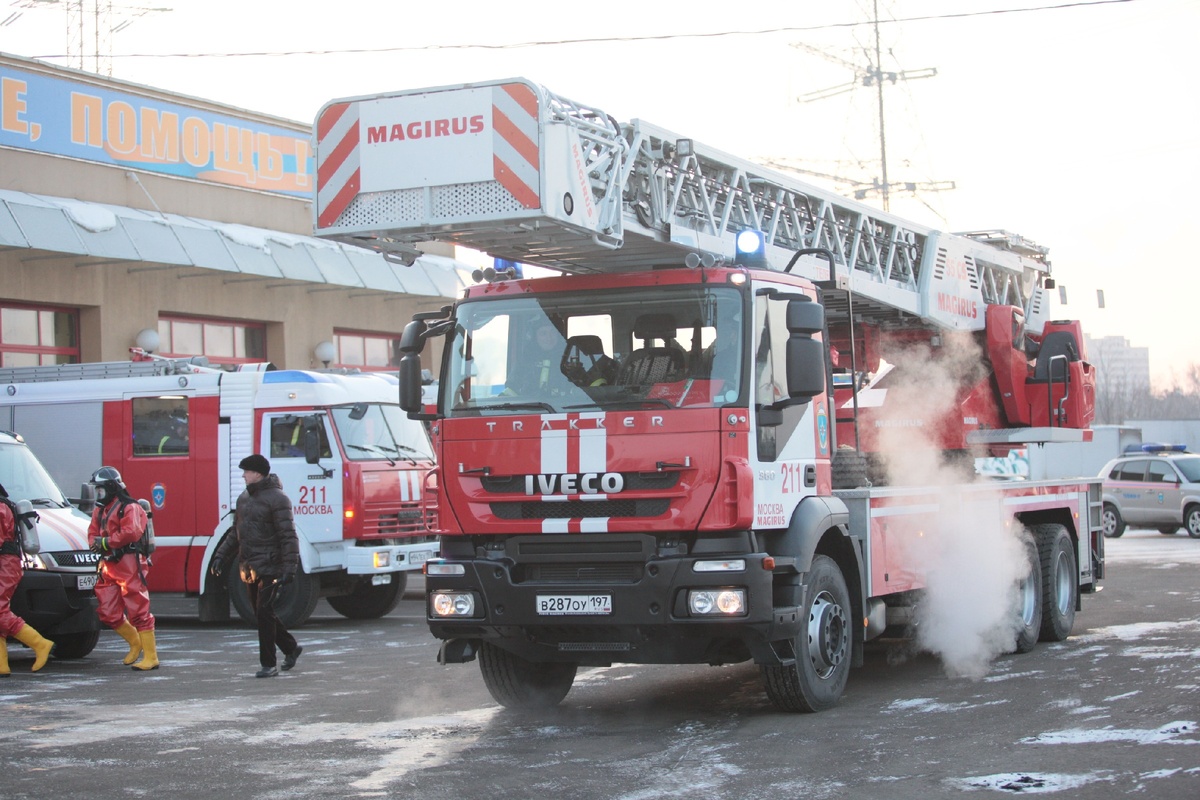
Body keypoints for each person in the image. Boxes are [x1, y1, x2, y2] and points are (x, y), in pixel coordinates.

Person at [211, 454, 302, 678]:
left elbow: (288, 536)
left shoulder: (278, 499)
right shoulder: (244, 498)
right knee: (262, 612)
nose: (243, 475)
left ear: (258, 473)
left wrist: (289, 568)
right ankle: (291, 647)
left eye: (246, 471)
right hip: (249, 565)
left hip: (271, 565)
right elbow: (236, 533)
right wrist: (220, 556)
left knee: (263, 612)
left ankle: (268, 664)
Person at [87, 466, 159, 671]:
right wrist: (98, 543)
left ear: (111, 487)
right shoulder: (100, 510)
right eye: (97, 490)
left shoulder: (130, 507)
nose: (98, 494)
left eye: (101, 490)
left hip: (129, 562)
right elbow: (92, 533)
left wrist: (106, 542)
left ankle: (151, 657)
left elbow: (131, 532)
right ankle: (135, 642)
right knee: (108, 612)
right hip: (108, 565)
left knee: (138, 609)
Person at [0, 486, 55, 674]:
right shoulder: (4, 504)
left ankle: (40, 644)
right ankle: (2, 665)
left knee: (0, 611)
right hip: (7, 564)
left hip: (5, 565)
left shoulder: (0, 507)